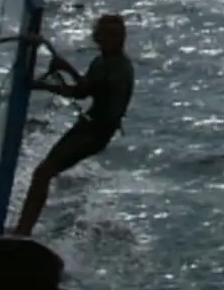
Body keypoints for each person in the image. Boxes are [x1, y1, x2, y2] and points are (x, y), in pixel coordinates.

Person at [12, 12, 134, 237]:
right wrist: (42, 86)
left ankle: (23, 231)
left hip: (96, 133)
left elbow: (86, 90)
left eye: (118, 35)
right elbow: (79, 91)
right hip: (87, 127)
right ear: (99, 37)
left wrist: (65, 67)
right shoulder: (101, 62)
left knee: (43, 173)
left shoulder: (120, 68)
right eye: (109, 35)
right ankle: (22, 229)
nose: (115, 39)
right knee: (42, 173)